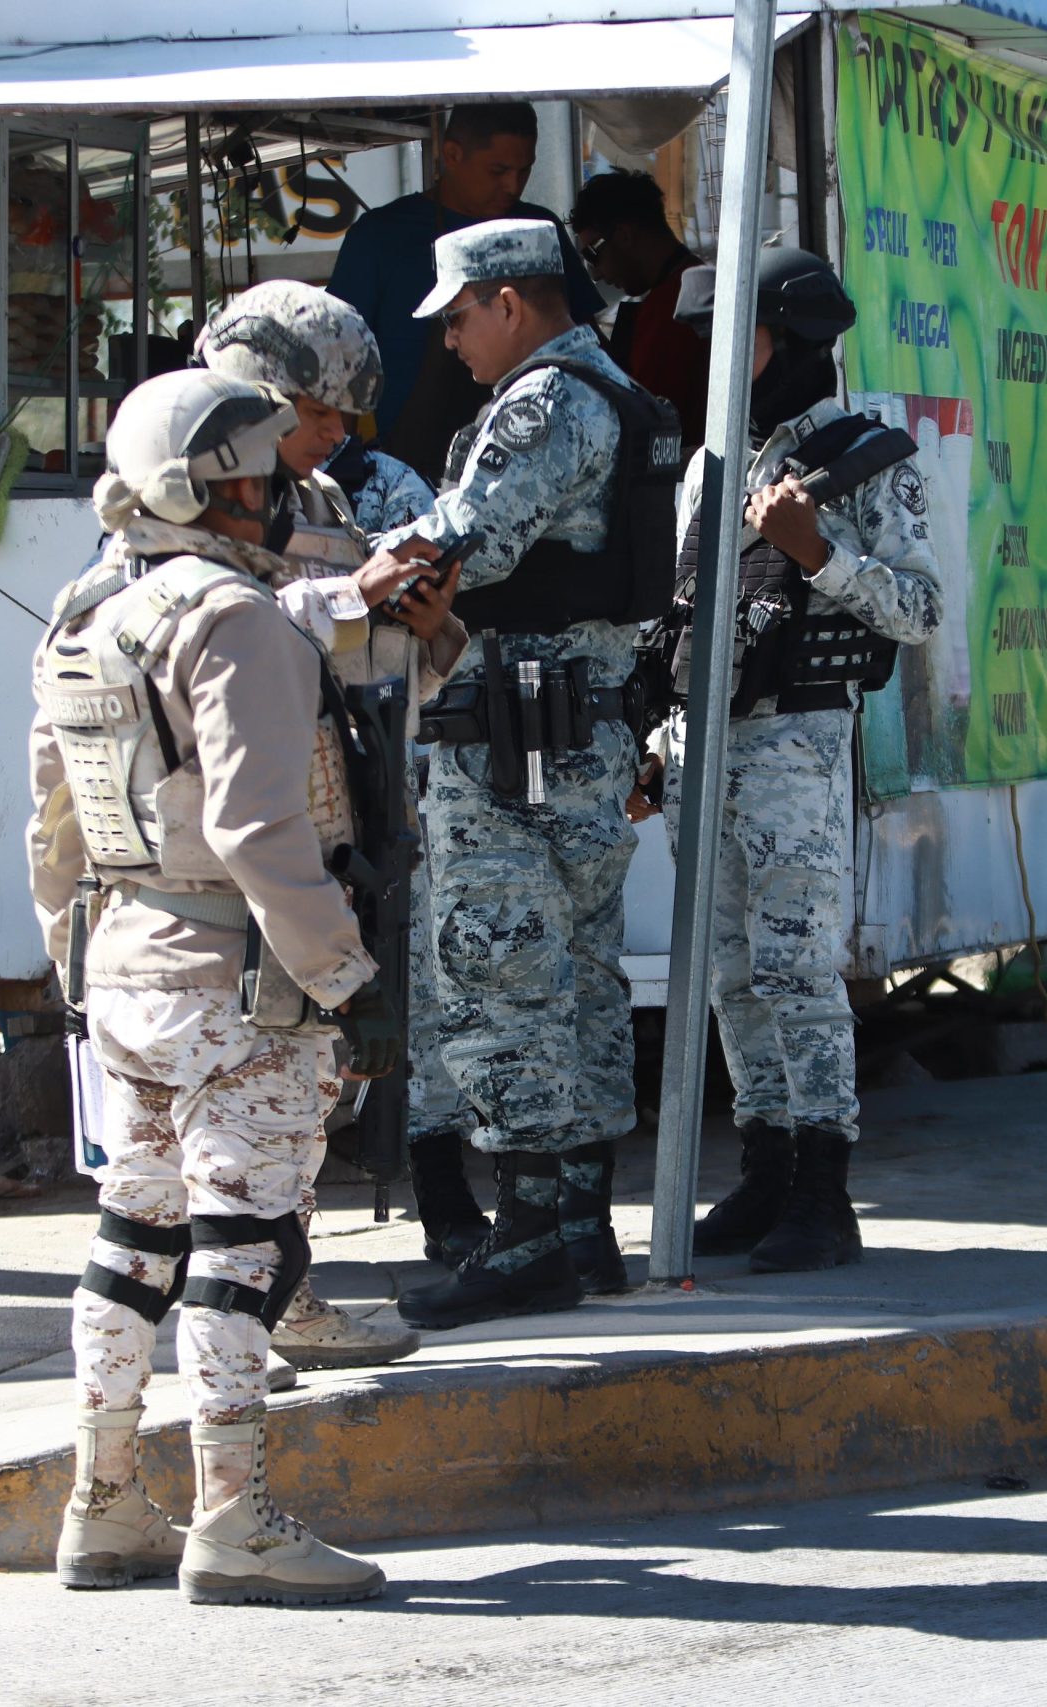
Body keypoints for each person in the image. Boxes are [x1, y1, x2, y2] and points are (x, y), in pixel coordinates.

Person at [26, 368, 400, 1606]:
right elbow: (258, 827)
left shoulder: (86, 610)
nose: (283, 488)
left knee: (132, 1239)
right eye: (265, 470)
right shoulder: (238, 620)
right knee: (246, 1247)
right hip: (242, 981)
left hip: (126, 971)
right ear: (219, 486)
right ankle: (234, 1516)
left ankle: (104, 1505)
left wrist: (72, 959)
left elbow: (53, 825)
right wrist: (339, 971)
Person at [368, 220, 681, 1331]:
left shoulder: (546, 400)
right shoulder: (619, 396)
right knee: (577, 981)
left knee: (501, 977)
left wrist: (361, 571)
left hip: (514, 746)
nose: (449, 342)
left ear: (512, 302)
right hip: (573, 730)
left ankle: (526, 1239)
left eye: (457, 317)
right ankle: (577, 1227)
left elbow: (462, 544)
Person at [639, 248, 943, 1272]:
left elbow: (919, 609)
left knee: (795, 969)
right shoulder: (711, 462)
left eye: (740, 338)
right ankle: (765, 1170)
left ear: (794, 340)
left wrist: (820, 553)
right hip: (701, 744)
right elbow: (687, 610)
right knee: (728, 973)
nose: (719, 362)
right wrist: (654, 733)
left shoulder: (866, 456)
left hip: (795, 747)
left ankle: (823, 1191)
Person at [191, 280, 473, 1364]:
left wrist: (424, 628)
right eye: (315, 414)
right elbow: (208, 643)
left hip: (318, 836)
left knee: (303, 1093)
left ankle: (286, 1295)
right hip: (220, 849)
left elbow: (355, 664)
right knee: (216, 1113)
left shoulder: (322, 510)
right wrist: (344, 599)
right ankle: (226, 1328)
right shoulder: (176, 505)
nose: (333, 438)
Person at [326, 102, 603, 485]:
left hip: (532, 463)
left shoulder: (538, 231)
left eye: (525, 171)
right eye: (498, 170)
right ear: (452, 154)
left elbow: (585, 345)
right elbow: (337, 368)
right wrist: (343, 470)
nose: (513, 185)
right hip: (407, 470)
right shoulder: (379, 238)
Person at [569, 169, 709, 449]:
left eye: (593, 254)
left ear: (623, 235)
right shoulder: (689, 287)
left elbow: (645, 416)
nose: (595, 274)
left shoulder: (674, 306)